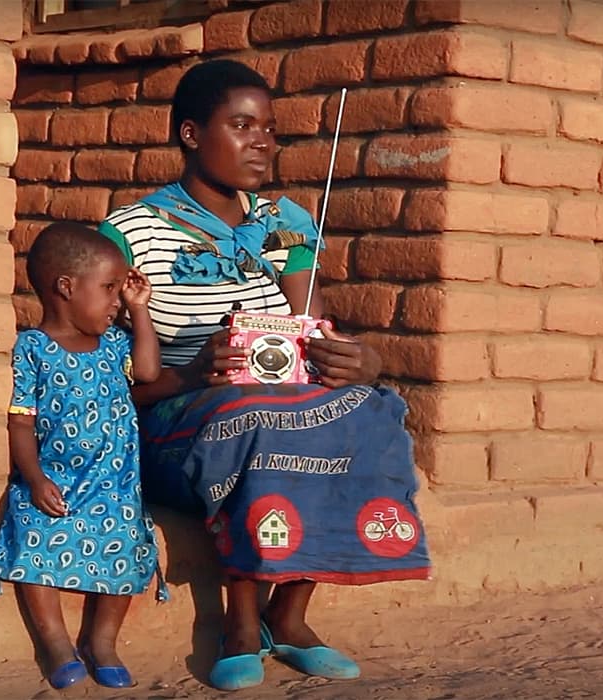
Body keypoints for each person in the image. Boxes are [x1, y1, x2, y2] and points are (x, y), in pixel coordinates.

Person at [99, 59, 431, 691]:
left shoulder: (287, 224)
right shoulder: (129, 234)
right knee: (251, 416)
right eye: (243, 125)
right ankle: (241, 624)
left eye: (270, 129)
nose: (263, 143)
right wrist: (196, 372)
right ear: (192, 134)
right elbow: (112, 382)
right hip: (180, 420)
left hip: (275, 408)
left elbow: (311, 331)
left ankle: (290, 613)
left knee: (371, 411)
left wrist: (360, 362)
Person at [0, 223, 162, 690]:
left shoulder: (116, 345)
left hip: (114, 485)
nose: (116, 301)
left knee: (127, 543)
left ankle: (102, 642)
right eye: (108, 289)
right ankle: (56, 643)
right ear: (66, 288)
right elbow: (20, 420)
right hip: (57, 480)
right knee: (30, 528)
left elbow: (146, 372)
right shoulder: (33, 350)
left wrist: (140, 313)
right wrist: (35, 476)